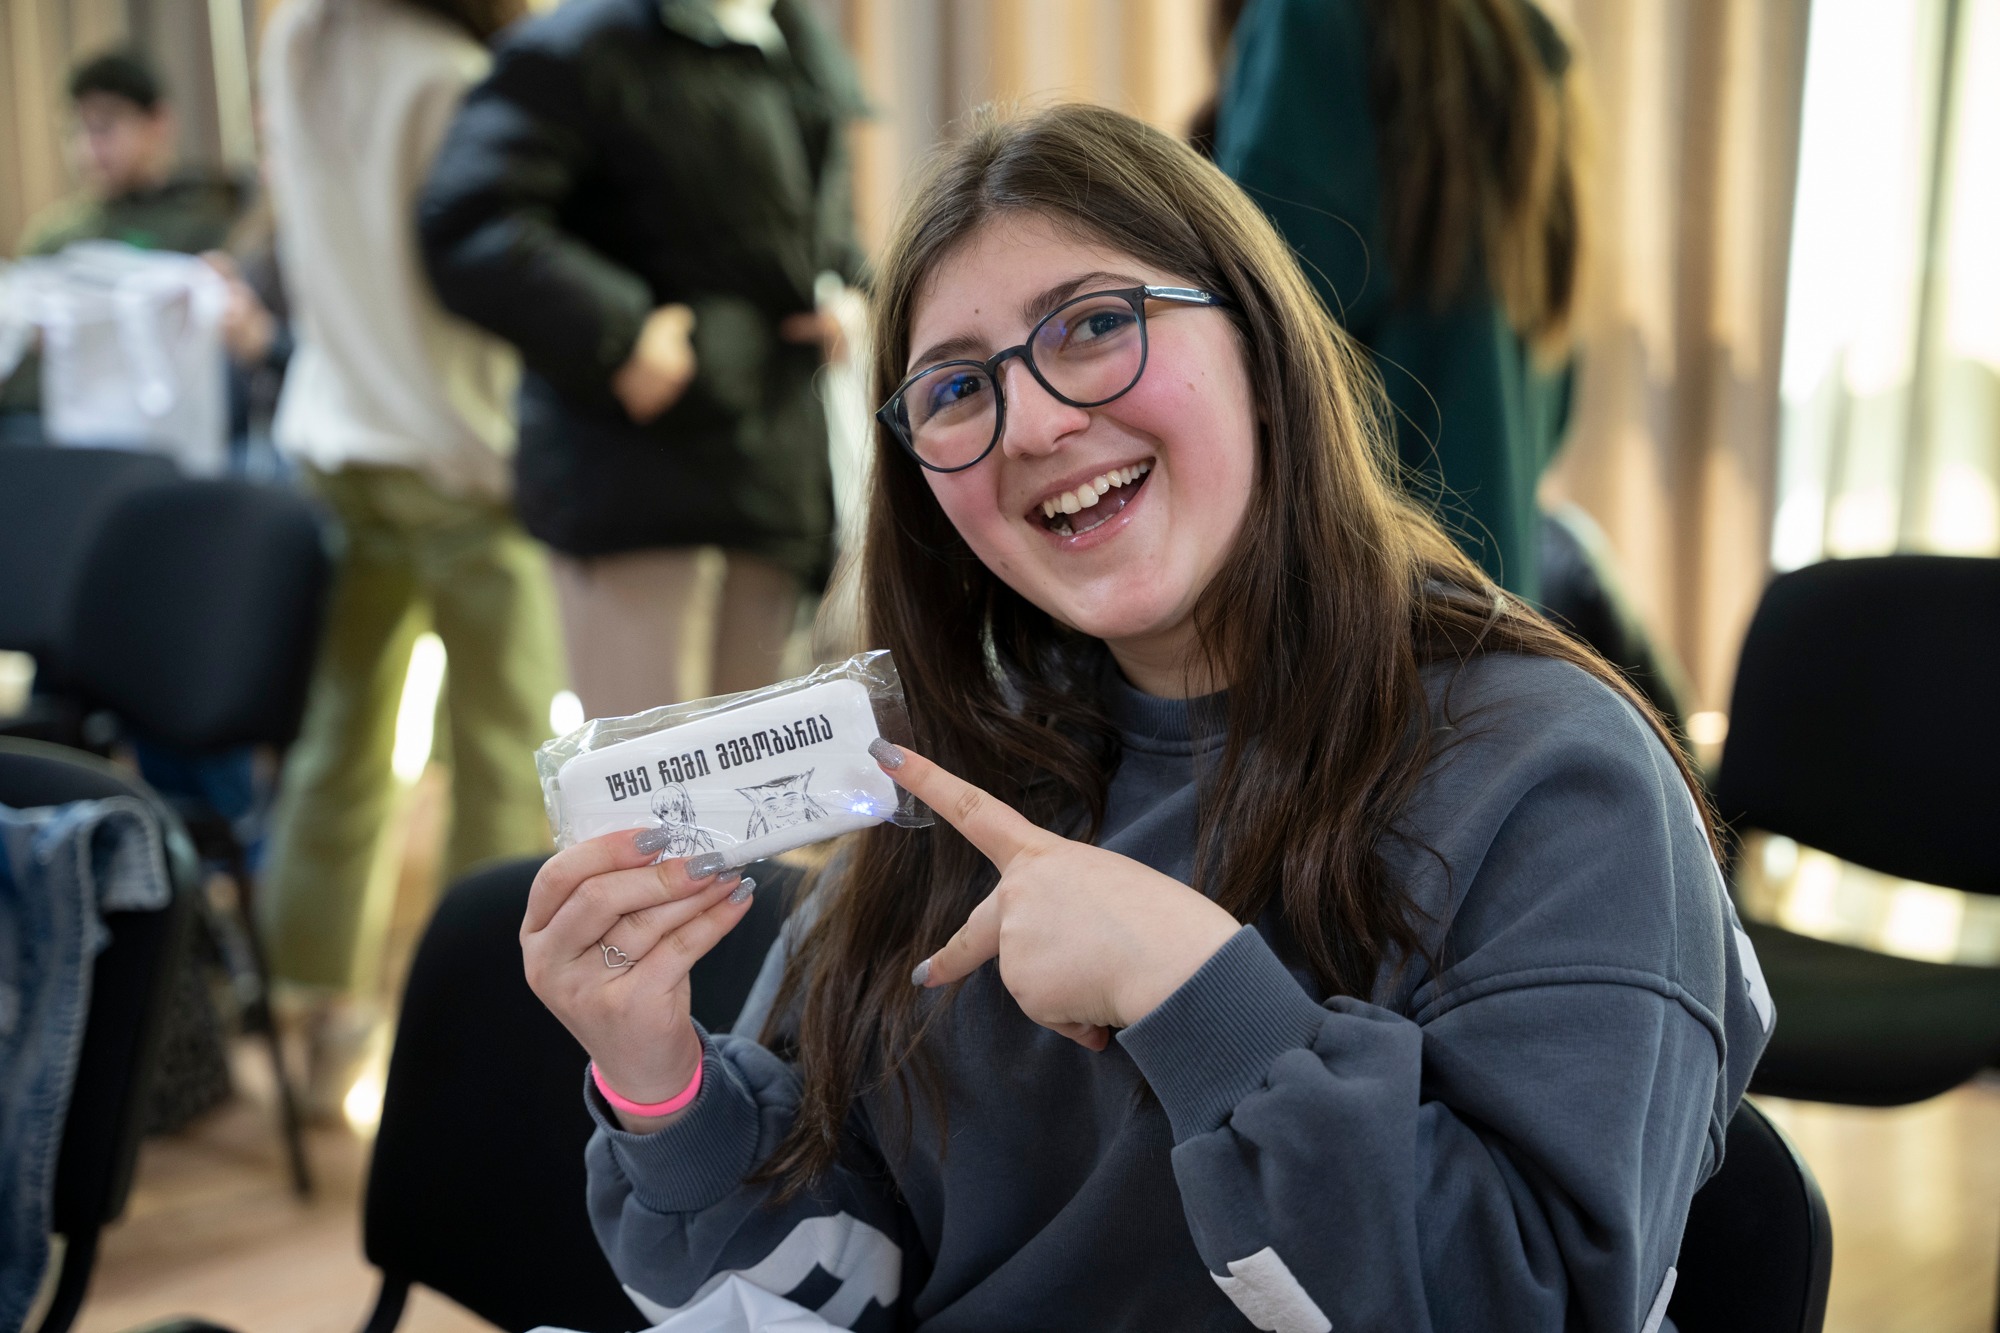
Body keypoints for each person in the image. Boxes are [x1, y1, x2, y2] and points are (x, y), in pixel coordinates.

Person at [519, 104, 1772, 1328]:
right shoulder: (951, 774)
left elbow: (1529, 1302)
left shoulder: (1552, 774)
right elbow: (838, 1281)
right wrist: (660, 1082)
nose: (1033, 424)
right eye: (954, 390)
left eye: (1094, 324)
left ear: (1260, 350)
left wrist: (1193, 990)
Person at [255, 0, 564, 1092]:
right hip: (453, 449)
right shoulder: (447, 71)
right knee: (504, 749)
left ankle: (314, 1004)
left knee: (345, 732)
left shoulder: (301, 38)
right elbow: (477, 285)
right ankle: (482, 1021)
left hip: (341, 439)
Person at [418, 0, 865, 721]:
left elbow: (803, 224)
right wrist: (620, 334)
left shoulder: (785, 40)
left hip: (772, 471)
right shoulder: (581, 48)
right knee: (646, 769)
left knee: (757, 767)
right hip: (634, 480)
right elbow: (473, 224)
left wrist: (853, 292)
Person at [1212, 0, 1585, 600]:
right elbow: (1557, 397)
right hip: (1494, 603)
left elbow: (1245, 344)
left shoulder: (1311, 21)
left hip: (1352, 603)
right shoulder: (1522, 45)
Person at [1, 49, 264, 430]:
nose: (88, 149)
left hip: (172, 426)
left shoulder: (213, 221)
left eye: (104, 128)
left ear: (158, 122)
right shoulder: (55, 240)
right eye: (76, 130)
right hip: (58, 429)